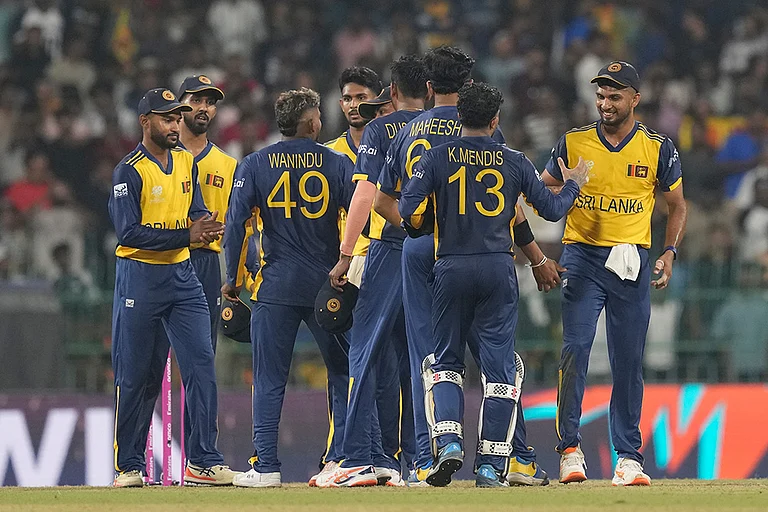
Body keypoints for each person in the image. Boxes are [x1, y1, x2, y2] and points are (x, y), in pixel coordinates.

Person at [374, 46, 561, 487]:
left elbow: (383, 201)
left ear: (428, 86)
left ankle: (427, 456)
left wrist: (423, 226)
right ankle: (509, 459)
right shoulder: (491, 141)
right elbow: (509, 209)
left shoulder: (406, 131)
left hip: (427, 250)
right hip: (481, 250)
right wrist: (535, 257)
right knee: (497, 359)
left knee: (433, 357)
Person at [541, 61, 688, 486]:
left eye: (615, 96)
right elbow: (541, 187)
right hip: (582, 258)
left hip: (631, 261)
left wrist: (670, 252)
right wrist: (563, 191)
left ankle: (628, 457)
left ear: (635, 99)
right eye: (601, 96)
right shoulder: (573, 142)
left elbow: (677, 205)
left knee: (628, 362)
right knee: (575, 351)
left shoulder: (658, 147)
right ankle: (570, 449)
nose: (605, 103)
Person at [221, 87, 354, 488]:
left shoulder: (255, 164)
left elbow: (235, 228)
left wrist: (233, 280)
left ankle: (265, 466)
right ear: (312, 122)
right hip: (326, 285)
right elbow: (358, 216)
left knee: (268, 377)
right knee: (343, 371)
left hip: (274, 285)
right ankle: (343, 459)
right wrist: (349, 266)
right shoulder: (337, 162)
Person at [109, 88, 239, 487]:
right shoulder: (128, 171)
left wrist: (206, 224)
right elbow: (129, 233)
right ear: (145, 121)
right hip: (141, 278)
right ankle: (129, 464)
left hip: (183, 280)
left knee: (202, 366)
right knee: (138, 375)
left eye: (175, 118)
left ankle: (202, 460)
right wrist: (188, 234)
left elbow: (194, 207)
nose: (174, 125)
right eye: (166, 119)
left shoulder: (185, 161)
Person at [323, 55, 429, 487]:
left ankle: (359, 459)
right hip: (437, 249)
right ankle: (426, 459)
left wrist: (346, 254)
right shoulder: (452, 127)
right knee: (429, 358)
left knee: (365, 352)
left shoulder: (382, 130)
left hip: (386, 248)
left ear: (390, 90)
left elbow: (366, 194)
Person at [177, 75, 238, 352]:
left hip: (207, 259)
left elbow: (238, 221)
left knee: (202, 349)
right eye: (196, 100)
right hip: (166, 253)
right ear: (179, 106)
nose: (204, 108)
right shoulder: (160, 156)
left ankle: (196, 398)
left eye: (210, 103)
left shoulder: (227, 164)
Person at [325, 65, 382, 285]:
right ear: (341, 104)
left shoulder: (395, 147)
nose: (354, 105)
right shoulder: (329, 153)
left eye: (361, 97)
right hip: (343, 261)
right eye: (347, 99)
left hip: (385, 252)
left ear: (377, 100)